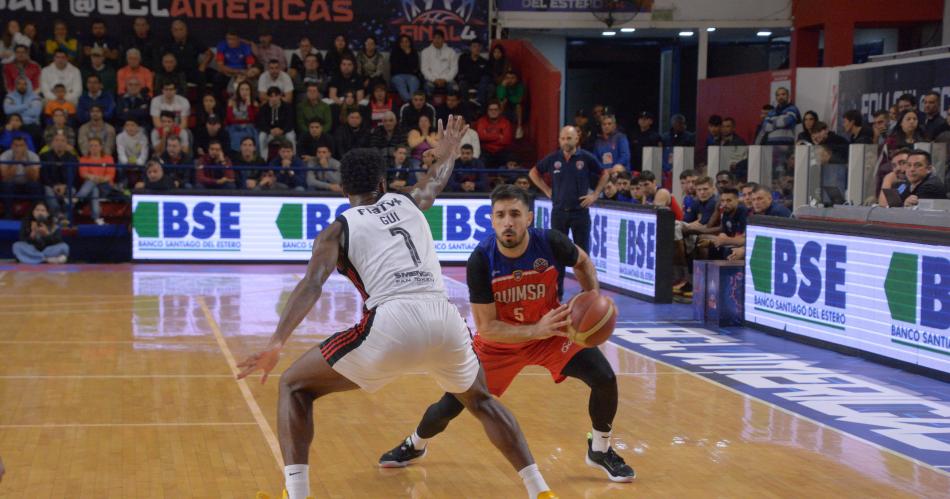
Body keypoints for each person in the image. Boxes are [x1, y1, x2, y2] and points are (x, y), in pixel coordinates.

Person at [237, 116, 558, 499]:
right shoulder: (408, 201)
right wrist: (451, 151)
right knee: (481, 400)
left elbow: (312, 284)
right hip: (445, 321)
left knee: (294, 385)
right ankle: (539, 490)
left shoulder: (337, 230)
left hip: (391, 324)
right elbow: (435, 179)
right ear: (383, 184)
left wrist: (276, 341)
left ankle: (297, 494)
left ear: (343, 190)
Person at [379, 183, 635, 484]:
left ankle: (600, 449)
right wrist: (535, 330)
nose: (508, 222)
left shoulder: (550, 242)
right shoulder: (481, 260)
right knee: (451, 404)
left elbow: (582, 261)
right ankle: (416, 443)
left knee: (604, 378)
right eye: (500, 215)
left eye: (515, 214)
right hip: (499, 344)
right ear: (491, 220)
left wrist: (592, 297)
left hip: (551, 331)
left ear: (529, 218)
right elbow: (487, 327)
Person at [530, 126, 608, 254]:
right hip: (559, 212)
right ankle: (559, 275)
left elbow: (605, 174)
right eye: (563, 138)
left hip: (580, 213)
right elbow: (533, 172)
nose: (565, 141)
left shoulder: (586, 157)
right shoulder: (553, 158)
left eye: (569, 138)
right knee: (557, 252)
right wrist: (546, 190)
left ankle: (582, 275)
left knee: (582, 253)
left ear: (577, 139)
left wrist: (595, 194)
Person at [0, 136, 43, 218]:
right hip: (11, 185)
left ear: (26, 146)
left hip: (27, 184)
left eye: (21, 145)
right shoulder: (5, 155)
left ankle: (33, 216)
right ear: (12, 146)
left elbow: (34, 178)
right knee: (6, 185)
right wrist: (16, 161)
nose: (18, 148)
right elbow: (5, 177)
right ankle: (8, 215)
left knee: (36, 186)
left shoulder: (33, 156)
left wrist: (25, 163)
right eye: (16, 145)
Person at [76, 136, 115, 224]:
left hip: (105, 186)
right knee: (94, 189)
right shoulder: (83, 159)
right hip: (90, 187)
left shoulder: (108, 158)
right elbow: (83, 174)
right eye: (91, 146)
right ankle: (96, 218)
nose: (93, 148)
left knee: (92, 183)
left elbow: (110, 174)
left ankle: (77, 199)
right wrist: (94, 178)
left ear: (101, 147)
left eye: (96, 145)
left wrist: (98, 179)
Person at [257, 87, 296, 158]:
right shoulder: (263, 108)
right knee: (261, 137)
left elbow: (290, 122)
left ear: (280, 96)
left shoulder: (287, 107)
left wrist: (282, 130)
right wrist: (270, 130)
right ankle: (263, 160)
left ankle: (293, 158)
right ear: (268, 97)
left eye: (276, 96)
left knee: (291, 137)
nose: (274, 98)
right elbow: (261, 123)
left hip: (284, 132)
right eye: (271, 96)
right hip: (270, 133)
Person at [475, 100, 514, 168]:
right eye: (491, 110)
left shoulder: (506, 122)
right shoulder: (481, 121)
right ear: (487, 111)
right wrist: (498, 136)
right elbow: (481, 136)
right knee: (480, 162)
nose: (493, 112)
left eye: (496, 109)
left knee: (511, 160)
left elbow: (506, 140)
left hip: (501, 151)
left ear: (499, 111)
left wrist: (488, 136)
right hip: (486, 152)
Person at [457, 40, 492, 105]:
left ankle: (483, 105)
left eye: (478, 46)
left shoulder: (484, 61)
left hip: (480, 84)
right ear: (470, 48)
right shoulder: (463, 59)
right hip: (467, 82)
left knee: (490, 86)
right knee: (462, 83)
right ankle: (465, 106)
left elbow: (486, 75)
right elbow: (461, 73)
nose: (477, 48)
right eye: (474, 46)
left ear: (481, 48)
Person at [390, 34, 421, 103]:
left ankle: (411, 101)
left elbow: (414, 68)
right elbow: (395, 68)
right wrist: (406, 65)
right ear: (399, 43)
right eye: (402, 42)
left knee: (413, 81)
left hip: (411, 76)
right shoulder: (394, 52)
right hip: (397, 76)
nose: (404, 44)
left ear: (410, 43)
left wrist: (408, 55)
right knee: (399, 81)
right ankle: (410, 102)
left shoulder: (413, 52)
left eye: (406, 42)